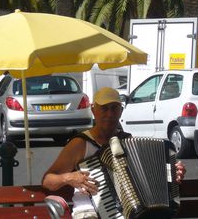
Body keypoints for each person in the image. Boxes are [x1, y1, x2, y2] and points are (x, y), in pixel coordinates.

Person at [42, 87, 186, 219]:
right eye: (104, 108)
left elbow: (149, 178)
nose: (109, 114)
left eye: (114, 108)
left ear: (121, 111)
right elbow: (48, 181)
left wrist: (172, 173)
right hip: (89, 212)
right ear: (93, 110)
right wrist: (69, 178)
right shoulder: (80, 144)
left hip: (129, 213)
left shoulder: (128, 141)